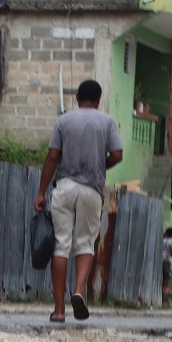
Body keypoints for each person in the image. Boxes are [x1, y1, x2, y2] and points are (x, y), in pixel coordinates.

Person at [34, 80, 123, 323]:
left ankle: (59, 310)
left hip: (64, 187)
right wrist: (100, 166)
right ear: (99, 99)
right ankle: (78, 291)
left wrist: (41, 192)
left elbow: (53, 156)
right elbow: (117, 154)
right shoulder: (107, 122)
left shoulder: (64, 121)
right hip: (91, 190)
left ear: (77, 99)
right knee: (85, 244)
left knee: (61, 245)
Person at [162, 228, 172, 294]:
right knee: (168, 274)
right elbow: (171, 250)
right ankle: (164, 288)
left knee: (163, 274)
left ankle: (163, 287)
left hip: (161, 259)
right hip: (168, 259)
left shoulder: (163, 240)